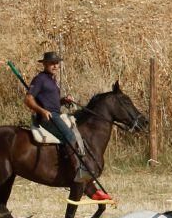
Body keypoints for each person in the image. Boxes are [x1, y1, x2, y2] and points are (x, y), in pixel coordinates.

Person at [24, 51, 112, 201]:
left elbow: (50, 102)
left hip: (55, 114)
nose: (55, 66)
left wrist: (63, 101)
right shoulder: (40, 79)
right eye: (52, 63)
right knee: (70, 137)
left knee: (78, 134)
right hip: (47, 118)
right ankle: (77, 173)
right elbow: (28, 99)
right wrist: (42, 111)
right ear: (44, 64)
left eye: (57, 63)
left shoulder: (52, 80)